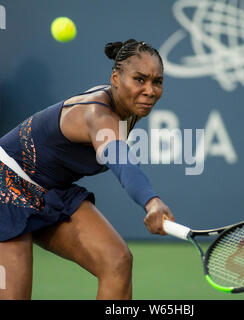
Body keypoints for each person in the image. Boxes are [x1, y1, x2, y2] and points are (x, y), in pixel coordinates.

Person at [0, 39, 175, 300]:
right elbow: (122, 163)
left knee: (117, 261)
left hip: (50, 190)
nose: (150, 90)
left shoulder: (131, 108)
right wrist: (152, 202)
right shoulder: (97, 114)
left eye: (157, 82)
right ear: (115, 78)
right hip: (6, 185)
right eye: (140, 79)